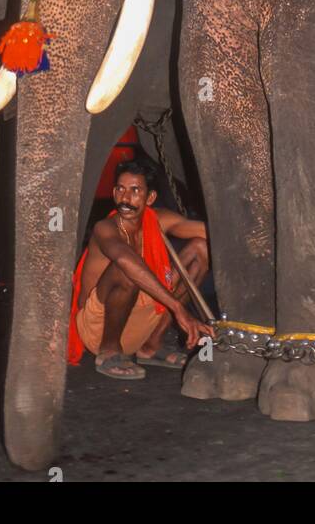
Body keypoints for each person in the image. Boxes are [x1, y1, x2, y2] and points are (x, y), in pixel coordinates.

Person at [68, 156, 214, 379]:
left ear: (150, 197)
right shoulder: (105, 228)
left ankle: (151, 345)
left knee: (200, 249)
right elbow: (125, 261)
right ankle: (109, 352)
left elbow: (208, 234)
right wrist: (178, 308)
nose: (125, 198)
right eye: (120, 189)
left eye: (135, 190)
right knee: (125, 268)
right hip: (98, 328)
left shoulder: (157, 219)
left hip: (140, 322)